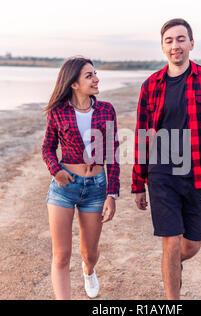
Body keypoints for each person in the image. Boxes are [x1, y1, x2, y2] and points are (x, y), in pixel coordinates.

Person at [131, 18, 201, 300]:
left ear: (191, 44)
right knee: (171, 243)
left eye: (181, 39)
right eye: (170, 41)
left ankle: (170, 268)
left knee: (191, 246)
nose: (176, 46)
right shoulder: (151, 86)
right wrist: (138, 182)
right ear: (163, 47)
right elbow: (143, 136)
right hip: (161, 174)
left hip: (197, 171)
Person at [42, 57, 120, 300]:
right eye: (89, 75)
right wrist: (56, 170)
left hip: (96, 187)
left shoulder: (106, 110)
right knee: (61, 255)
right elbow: (47, 148)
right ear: (73, 83)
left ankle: (89, 271)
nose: (96, 79)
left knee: (90, 253)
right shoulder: (57, 112)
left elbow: (112, 154)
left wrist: (111, 193)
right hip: (64, 188)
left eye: (95, 74)